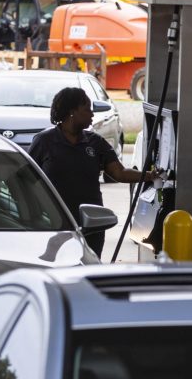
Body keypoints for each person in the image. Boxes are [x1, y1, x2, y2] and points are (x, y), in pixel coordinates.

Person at [29, 87, 159, 257]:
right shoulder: (45, 141)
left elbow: (119, 173)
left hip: (92, 223)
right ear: (72, 112)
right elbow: (26, 178)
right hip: (55, 223)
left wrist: (149, 176)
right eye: (87, 109)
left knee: (89, 266)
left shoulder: (95, 143)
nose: (92, 114)